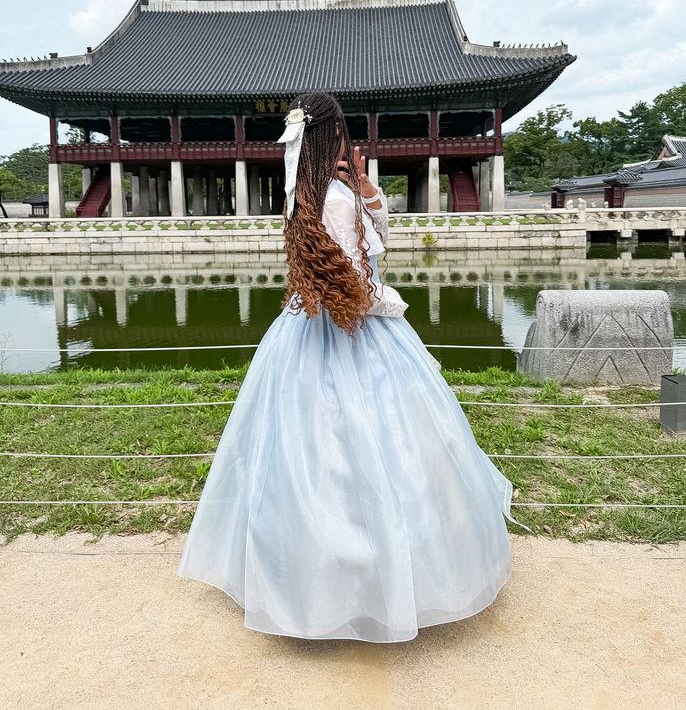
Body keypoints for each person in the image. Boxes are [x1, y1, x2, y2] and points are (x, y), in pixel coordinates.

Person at [177, 90, 531, 643]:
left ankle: (313, 578)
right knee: (377, 450)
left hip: (303, 330)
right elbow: (359, 289)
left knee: (308, 455)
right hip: (355, 332)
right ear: (333, 136)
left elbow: (368, 248)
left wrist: (368, 191)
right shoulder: (334, 201)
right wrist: (394, 307)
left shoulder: (307, 196)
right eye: (343, 132)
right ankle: (381, 579)